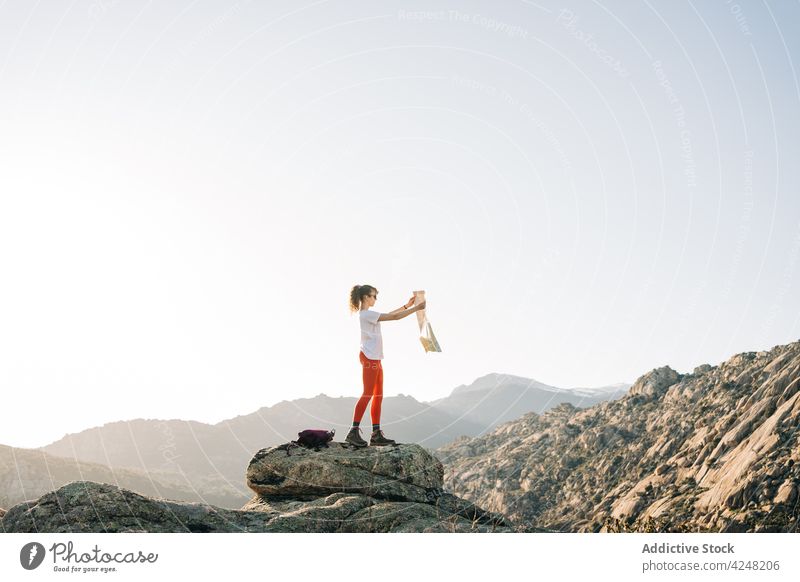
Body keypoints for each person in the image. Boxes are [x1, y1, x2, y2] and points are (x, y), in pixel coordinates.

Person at [345, 284, 426, 447]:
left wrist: (408, 305)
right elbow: (394, 318)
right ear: (366, 297)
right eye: (374, 296)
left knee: (378, 396)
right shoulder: (366, 314)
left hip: (375, 359)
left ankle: (376, 434)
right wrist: (417, 308)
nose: (375, 299)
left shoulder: (370, 314)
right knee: (368, 393)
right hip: (369, 359)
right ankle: (353, 432)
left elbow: (390, 315)